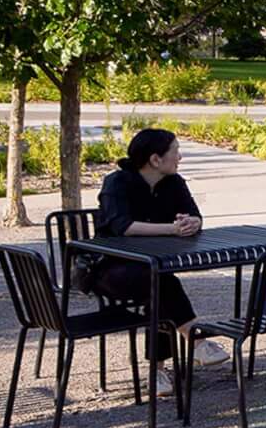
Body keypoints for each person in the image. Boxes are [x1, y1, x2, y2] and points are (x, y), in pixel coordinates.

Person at [93, 128, 226, 392]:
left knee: (158, 284)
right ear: (155, 160)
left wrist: (192, 223)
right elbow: (123, 226)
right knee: (159, 283)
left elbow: (195, 215)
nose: (180, 157)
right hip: (109, 268)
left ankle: (158, 372)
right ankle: (195, 340)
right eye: (175, 151)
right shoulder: (117, 183)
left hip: (154, 265)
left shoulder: (174, 182)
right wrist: (172, 229)